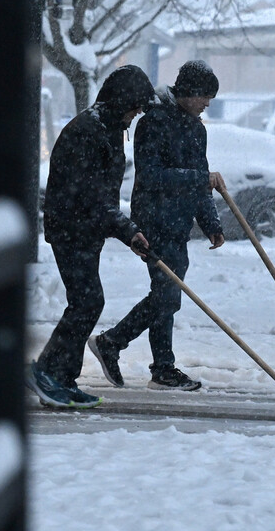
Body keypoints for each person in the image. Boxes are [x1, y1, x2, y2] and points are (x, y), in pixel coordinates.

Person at [88, 60, 226, 391]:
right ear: (189, 92)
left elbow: (200, 180)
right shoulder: (152, 123)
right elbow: (151, 176)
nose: (208, 103)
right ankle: (123, 348)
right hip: (154, 221)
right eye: (205, 96)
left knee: (166, 295)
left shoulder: (197, 129)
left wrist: (211, 223)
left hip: (178, 226)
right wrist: (198, 179)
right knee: (168, 296)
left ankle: (151, 363)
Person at [26, 65, 155, 409]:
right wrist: (129, 232)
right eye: (135, 108)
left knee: (86, 301)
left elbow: (102, 200)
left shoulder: (109, 127)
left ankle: (62, 378)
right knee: (87, 301)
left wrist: (126, 231)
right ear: (121, 101)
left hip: (86, 228)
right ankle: (47, 373)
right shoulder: (88, 131)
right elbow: (93, 198)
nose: (136, 115)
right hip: (71, 227)